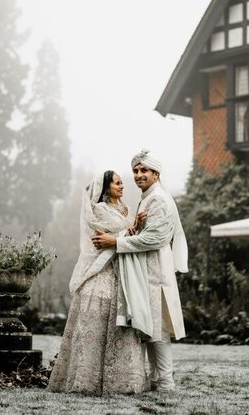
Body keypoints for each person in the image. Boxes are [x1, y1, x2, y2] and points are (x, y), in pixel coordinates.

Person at [92, 149, 189, 391]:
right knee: (150, 327)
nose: (138, 175)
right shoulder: (148, 197)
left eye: (144, 170)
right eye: (135, 171)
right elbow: (145, 234)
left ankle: (166, 381)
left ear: (156, 174)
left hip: (155, 269)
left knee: (158, 329)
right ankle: (158, 379)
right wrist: (132, 229)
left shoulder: (158, 199)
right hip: (146, 269)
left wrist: (116, 242)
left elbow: (154, 239)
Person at [47, 171, 150, 395]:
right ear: (106, 188)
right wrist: (128, 230)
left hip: (121, 274)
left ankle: (122, 382)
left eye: (122, 182)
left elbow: (121, 238)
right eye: (117, 183)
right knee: (94, 328)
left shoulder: (125, 209)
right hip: (100, 275)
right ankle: (87, 381)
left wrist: (135, 226)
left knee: (121, 327)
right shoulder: (99, 211)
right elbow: (102, 242)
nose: (122, 186)